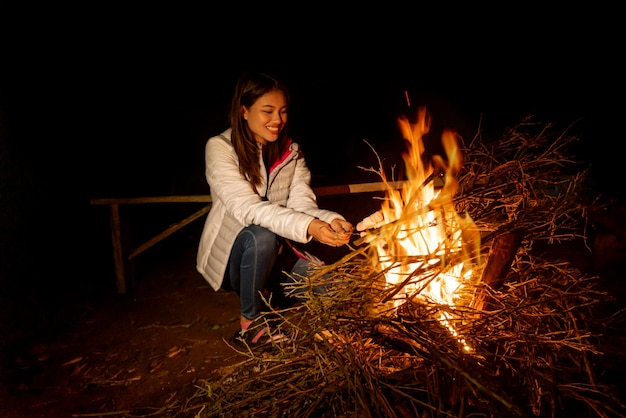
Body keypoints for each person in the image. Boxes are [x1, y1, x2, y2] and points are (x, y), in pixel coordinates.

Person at [196, 71, 354, 349]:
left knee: (337, 290)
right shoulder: (220, 148)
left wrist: (330, 222)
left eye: (282, 111)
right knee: (261, 235)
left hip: (280, 253)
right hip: (237, 256)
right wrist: (309, 227)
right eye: (267, 111)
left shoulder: (291, 151)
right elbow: (248, 208)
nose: (277, 121)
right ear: (244, 111)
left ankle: (270, 294)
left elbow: (302, 205)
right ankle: (250, 324)